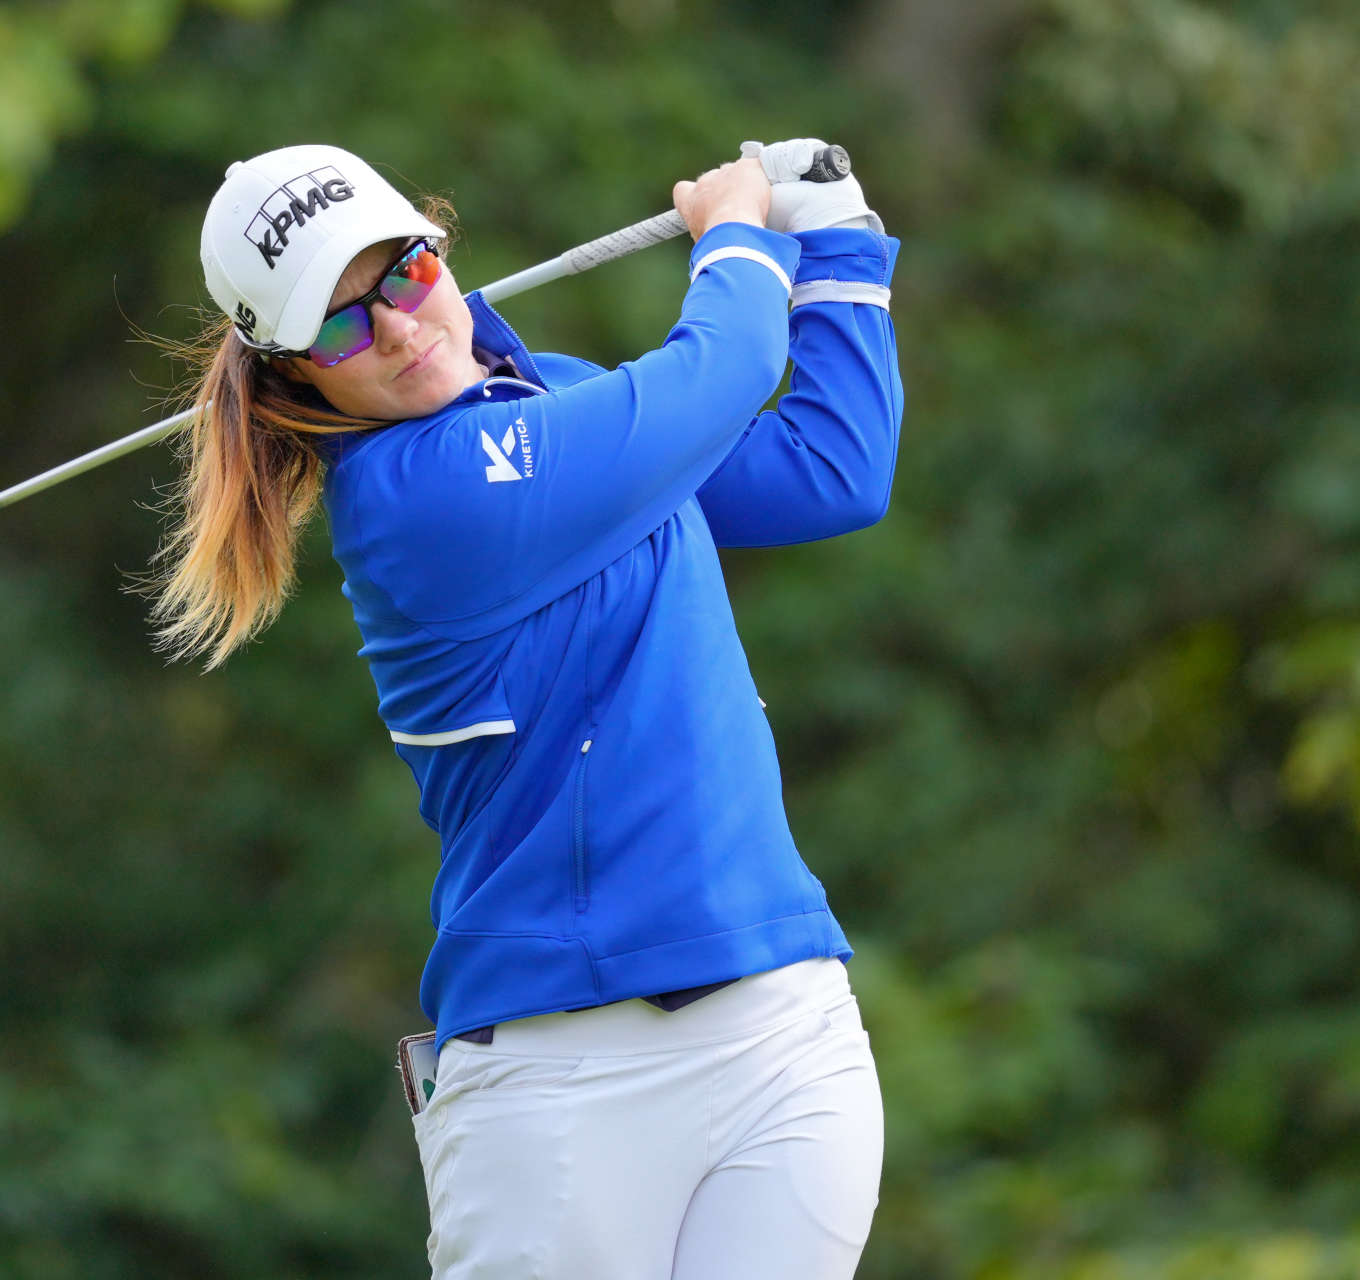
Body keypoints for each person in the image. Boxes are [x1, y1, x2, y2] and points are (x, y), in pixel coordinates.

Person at [148, 141, 903, 1279]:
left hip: (781, 1025)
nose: (400, 331)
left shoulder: (555, 395)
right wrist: (738, 230)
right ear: (295, 374)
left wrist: (839, 231)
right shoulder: (418, 499)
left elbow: (831, 468)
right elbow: (730, 357)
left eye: (402, 275)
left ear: (440, 250)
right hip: (561, 1083)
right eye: (344, 328)